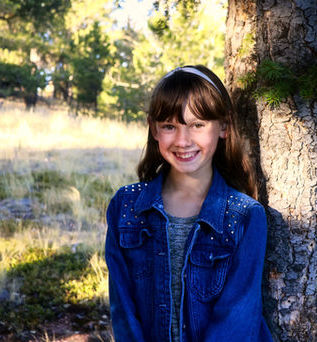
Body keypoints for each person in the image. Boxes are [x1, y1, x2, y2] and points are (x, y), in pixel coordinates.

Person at [105, 65, 273, 342]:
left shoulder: (244, 216)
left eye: (197, 125)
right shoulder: (126, 207)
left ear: (223, 127)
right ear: (154, 129)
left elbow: (237, 319)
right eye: (170, 126)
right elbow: (122, 308)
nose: (183, 141)